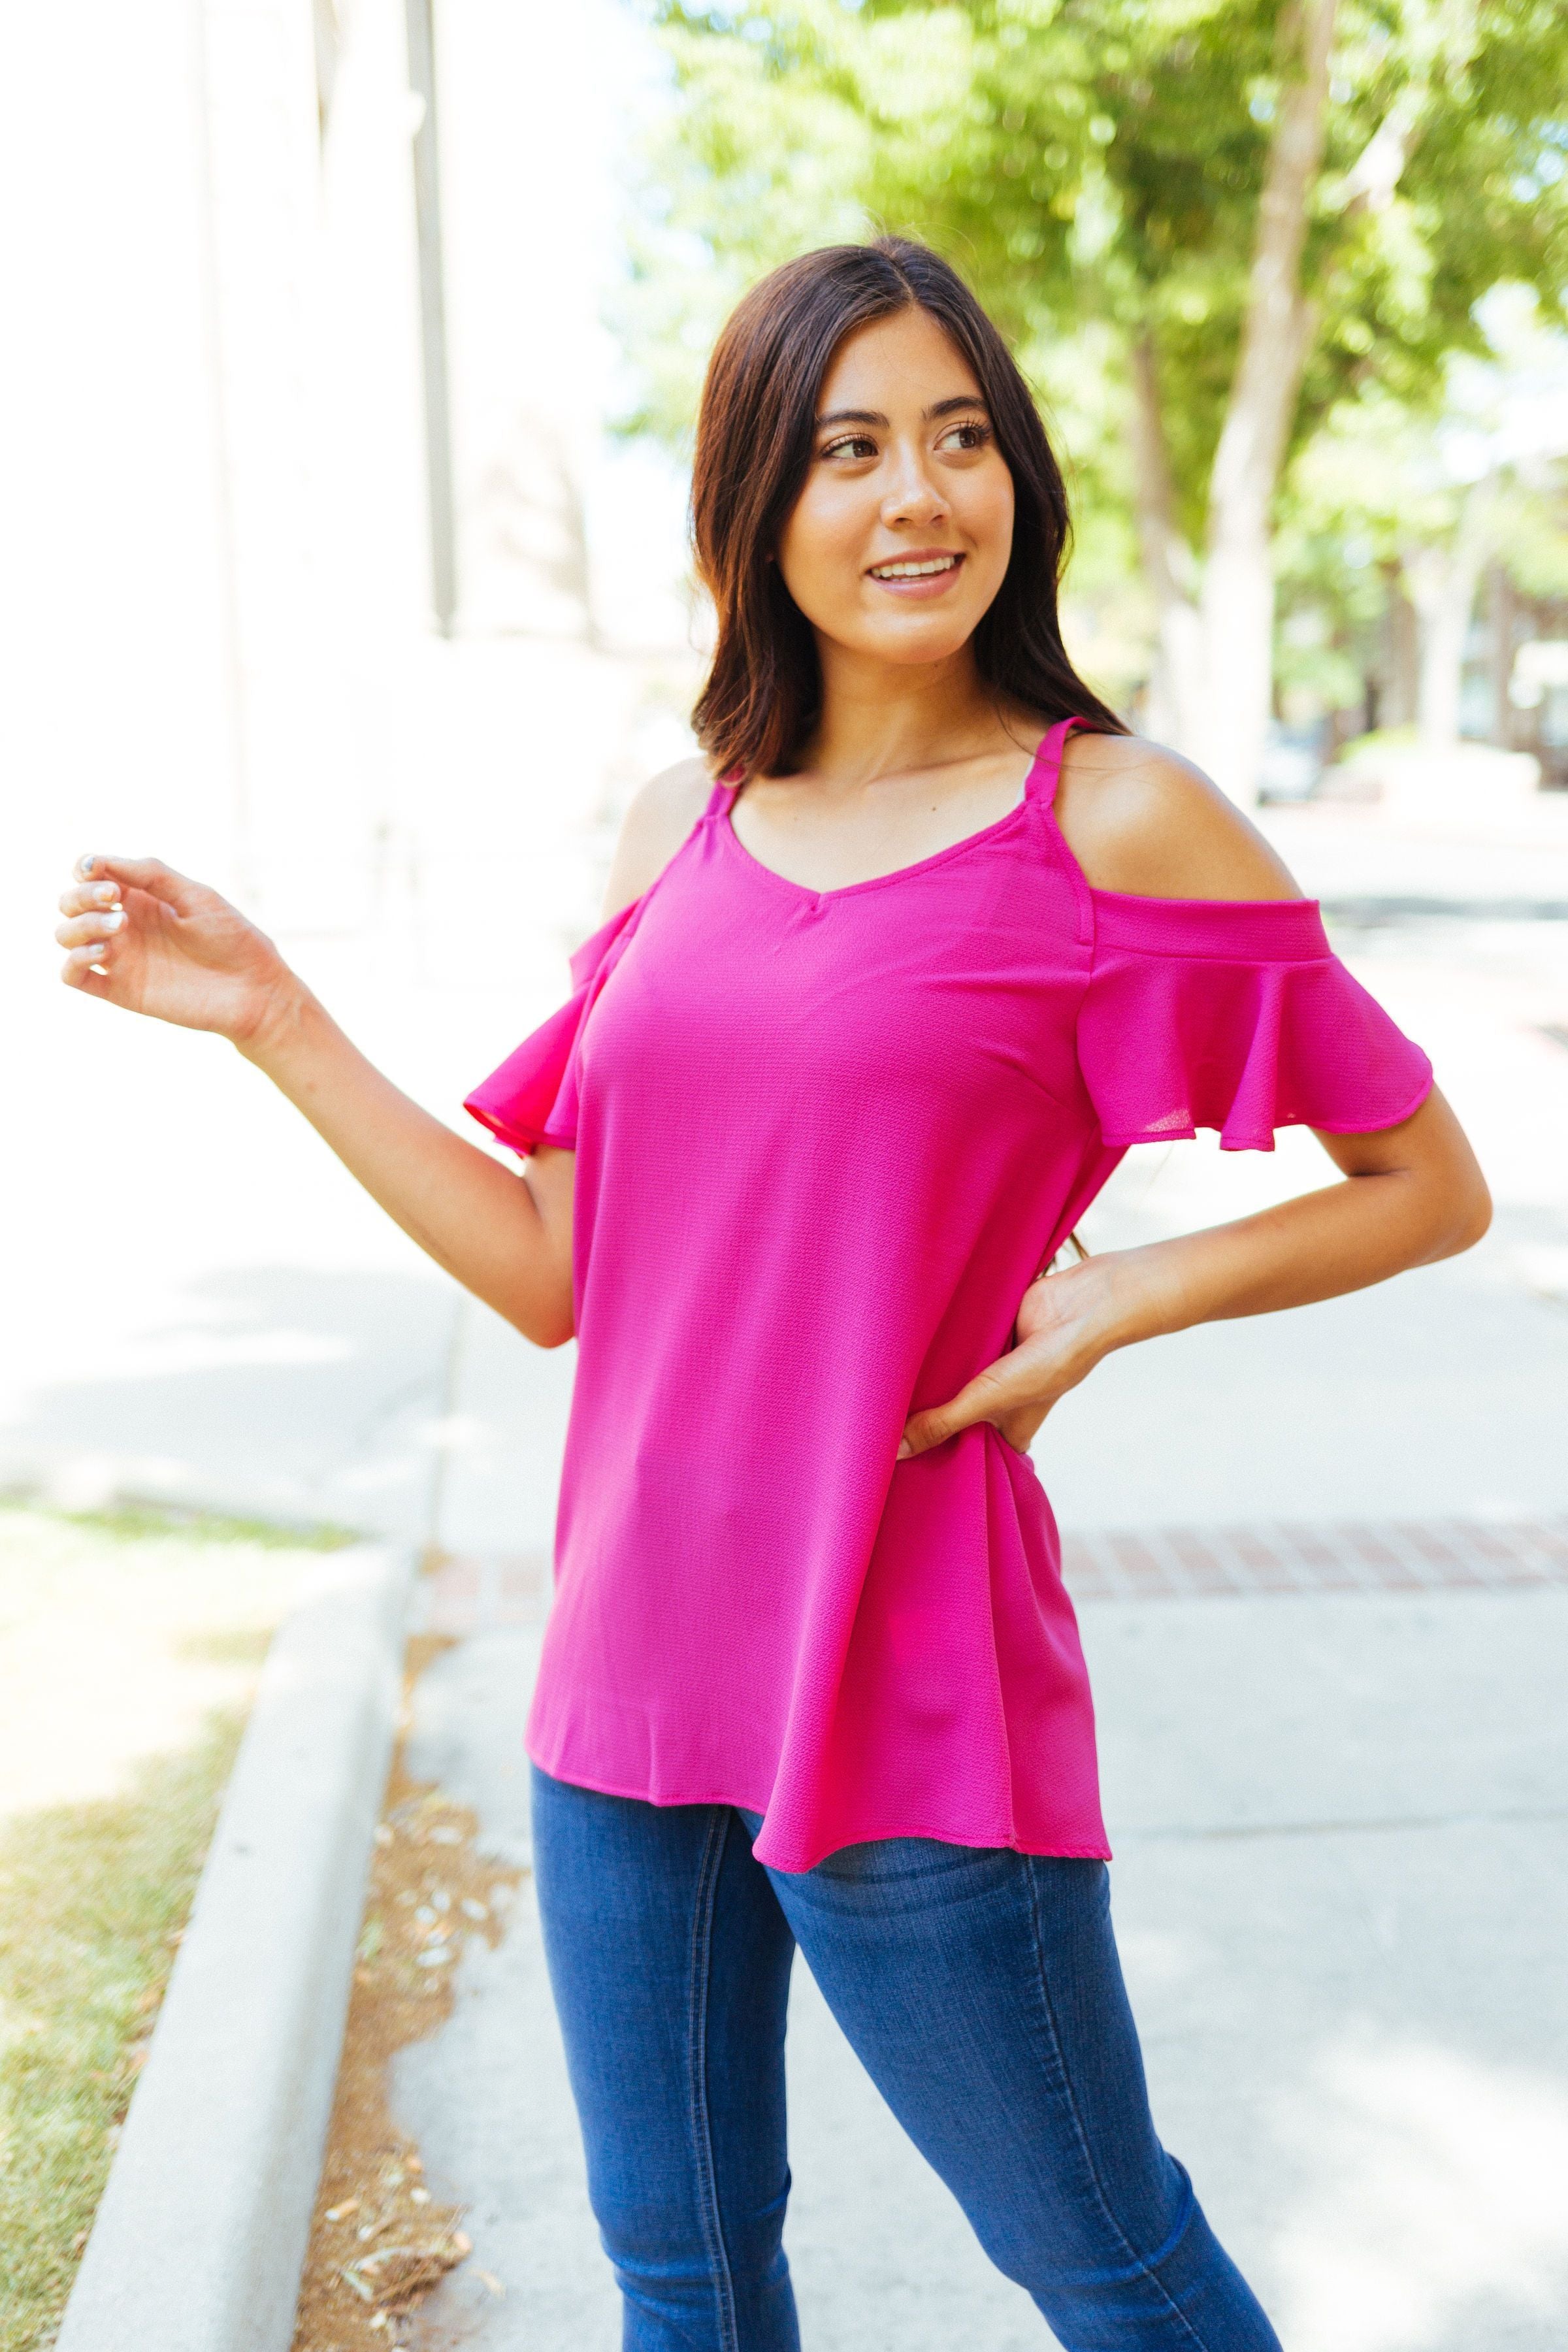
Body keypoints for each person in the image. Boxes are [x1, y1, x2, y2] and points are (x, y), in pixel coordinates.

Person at [56, 237, 1489, 2350]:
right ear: (756, 500)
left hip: (907, 1692)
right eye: (848, 449)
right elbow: (554, 1275)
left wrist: (1120, 1299)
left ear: (1016, 479)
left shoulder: (1117, 821)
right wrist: (276, 1018)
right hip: (625, 1699)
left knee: (1113, 2271)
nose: (917, 496)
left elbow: (1424, 1186)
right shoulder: (683, 826)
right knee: (687, 2290)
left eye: (960, 437)